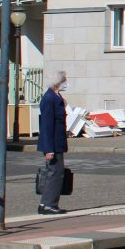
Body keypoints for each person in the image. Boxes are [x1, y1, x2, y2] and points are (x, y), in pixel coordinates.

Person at [37, 72, 69, 215]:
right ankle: (50, 204)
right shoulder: (49, 98)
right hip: (53, 144)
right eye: (64, 80)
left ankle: (45, 203)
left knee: (53, 173)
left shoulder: (56, 97)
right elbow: (47, 125)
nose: (66, 83)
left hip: (57, 142)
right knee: (56, 174)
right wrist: (49, 149)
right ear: (58, 82)